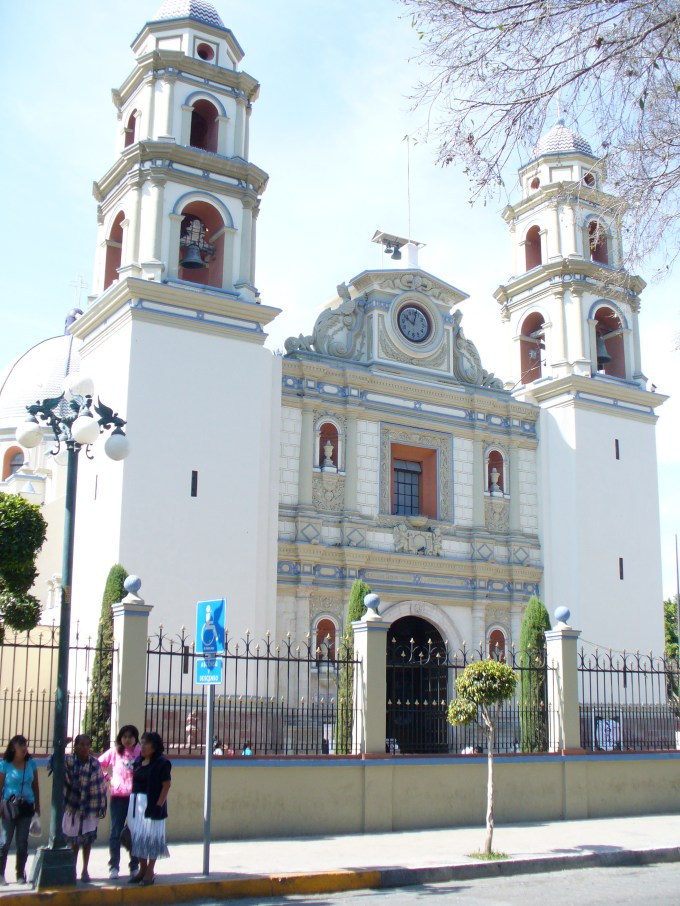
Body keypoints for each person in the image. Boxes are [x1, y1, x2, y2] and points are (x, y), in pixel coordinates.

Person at [128, 731, 171, 887]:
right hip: (136, 805)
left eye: (146, 743)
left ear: (154, 747)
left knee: (152, 838)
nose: (142, 746)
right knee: (137, 837)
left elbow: (166, 785)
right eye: (142, 742)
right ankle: (142, 869)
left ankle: (150, 871)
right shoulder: (138, 762)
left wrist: (159, 805)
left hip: (152, 804)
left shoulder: (161, 763)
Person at [63, 734, 108, 882]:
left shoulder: (94, 764)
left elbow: (101, 785)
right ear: (75, 746)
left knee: (87, 841)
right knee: (74, 841)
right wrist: (62, 745)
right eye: (81, 745)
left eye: (87, 745)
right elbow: (55, 763)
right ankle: (72, 869)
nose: (84, 748)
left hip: (91, 806)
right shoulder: (69, 761)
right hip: (73, 805)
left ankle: (85, 870)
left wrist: (101, 804)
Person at [98, 724, 141, 880]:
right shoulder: (115, 752)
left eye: (130, 737)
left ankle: (134, 865)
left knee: (134, 832)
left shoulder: (139, 753)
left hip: (136, 797)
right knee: (115, 832)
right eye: (124, 736)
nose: (127, 740)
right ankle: (114, 866)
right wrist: (108, 779)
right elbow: (99, 764)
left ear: (136, 738)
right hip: (118, 797)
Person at [0, 735, 40, 885]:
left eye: (25, 744)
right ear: (12, 748)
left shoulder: (31, 764)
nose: (24, 748)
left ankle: (20, 873)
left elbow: (35, 786)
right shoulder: (5, 765)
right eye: (20, 745)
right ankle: (1, 874)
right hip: (9, 807)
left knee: (22, 842)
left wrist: (38, 807)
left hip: (26, 806)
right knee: (4, 842)